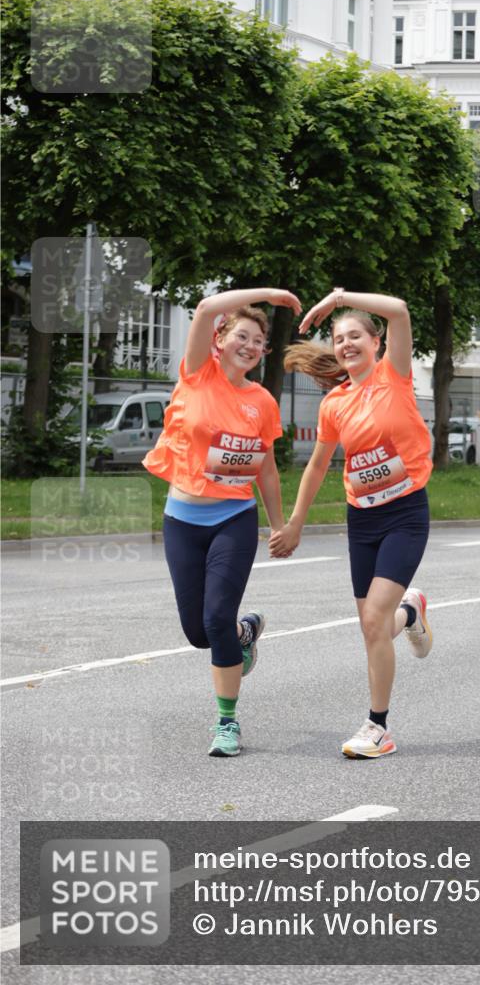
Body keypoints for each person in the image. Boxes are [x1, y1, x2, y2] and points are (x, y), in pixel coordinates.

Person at [269, 289, 434, 759]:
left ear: (376, 341)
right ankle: (412, 612)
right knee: (371, 624)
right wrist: (296, 522)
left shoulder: (395, 377)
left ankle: (378, 727)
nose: (346, 344)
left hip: (404, 513)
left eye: (355, 335)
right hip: (361, 519)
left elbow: (400, 308)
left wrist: (339, 297)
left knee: (372, 619)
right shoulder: (334, 403)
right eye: (339, 338)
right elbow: (318, 465)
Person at [143, 287, 301, 756]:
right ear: (219, 341)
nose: (251, 347)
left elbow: (266, 469)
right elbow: (208, 308)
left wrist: (280, 525)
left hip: (234, 516)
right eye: (243, 336)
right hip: (182, 519)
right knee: (199, 633)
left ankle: (227, 723)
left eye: (259, 342)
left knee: (215, 617)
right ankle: (242, 635)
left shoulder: (262, 402)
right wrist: (270, 295)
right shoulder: (196, 375)